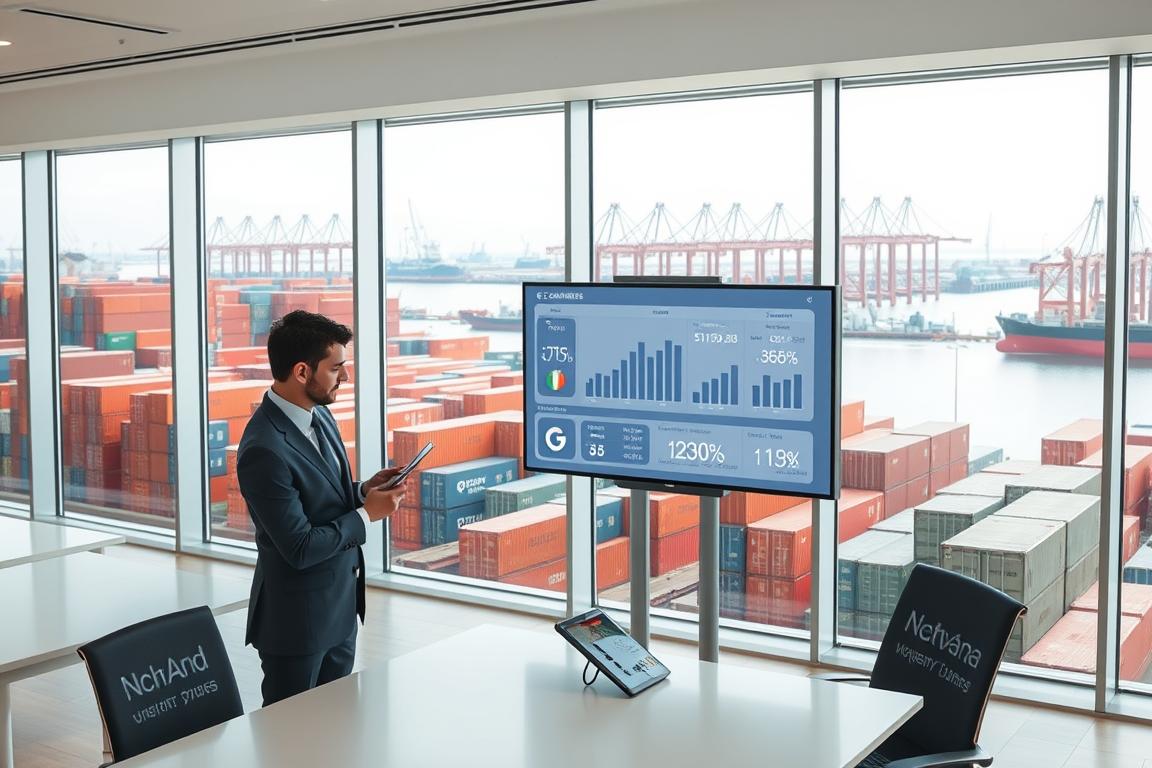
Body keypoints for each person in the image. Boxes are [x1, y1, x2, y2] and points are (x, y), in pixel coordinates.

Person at [237, 309, 407, 706]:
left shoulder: (321, 415)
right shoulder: (263, 449)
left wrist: (364, 489)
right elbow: (298, 546)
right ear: (301, 372)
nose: (344, 378)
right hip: (297, 625)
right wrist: (368, 515)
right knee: (287, 740)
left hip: (339, 611)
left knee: (335, 727)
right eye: (336, 368)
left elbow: (319, 495)